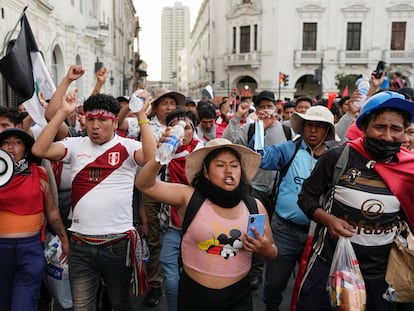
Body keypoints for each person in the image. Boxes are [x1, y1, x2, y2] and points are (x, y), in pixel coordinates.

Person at [32, 90, 156, 310]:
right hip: (80, 245)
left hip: (118, 245)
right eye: (90, 119)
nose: (95, 126)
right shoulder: (75, 144)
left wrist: (141, 116)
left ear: (115, 123)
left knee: (118, 304)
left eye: (102, 120)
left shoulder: (128, 147)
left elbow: (151, 156)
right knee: (82, 307)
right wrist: (63, 112)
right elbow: (39, 149)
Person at [296, 91, 414, 311]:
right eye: (380, 127)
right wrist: (328, 220)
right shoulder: (338, 158)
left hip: (380, 275)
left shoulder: (410, 171)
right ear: (364, 127)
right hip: (329, 265)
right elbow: (306, 197)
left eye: (396, 129)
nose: (388, 136)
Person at [136, 138, 277, 311]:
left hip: (238, 297)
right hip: (194, 296)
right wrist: (162, 154)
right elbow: (145, 184)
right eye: (220, 165)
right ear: (205, 172)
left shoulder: (255, 207)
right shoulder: (188, 197)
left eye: (234, 165)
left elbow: (270, 253)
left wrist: (264, 249)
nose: (228, 171)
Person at [253, 105, 341, 310]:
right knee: (274, 283)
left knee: (312, 287)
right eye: (309, 125)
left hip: (318, 234)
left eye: (319, 127)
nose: (313, 131)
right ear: (302, 127)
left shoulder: (335, 158)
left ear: (327, 132)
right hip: (284, 231)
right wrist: (260, 128)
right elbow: (259, 157)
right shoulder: (289, 149)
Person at [223, 90, 293, 289]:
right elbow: (229, 143)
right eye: (261, 107)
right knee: (252, 230)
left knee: (269, 235)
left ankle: (262, 271)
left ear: (276, 108)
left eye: (268, 106)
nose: (265, 110)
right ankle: (251, 270)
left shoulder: (287, 130)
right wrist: (237, 117)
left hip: (275, 193)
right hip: (252, 189)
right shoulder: (250, 128)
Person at [0, 128, 69, 310]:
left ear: (26, 149)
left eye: (18, 142)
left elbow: (52, 211)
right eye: (6, 142)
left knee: (23, 304)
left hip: (29, 249)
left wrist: (64, 240)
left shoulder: (38, 173)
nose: (11, 147)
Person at [141, 88, 186, 307]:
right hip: (151, 188)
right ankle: (155, 284)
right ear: (156, 106)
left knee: (179, 236)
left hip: (176, 191)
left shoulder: (184, 128)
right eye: (164, 103)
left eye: (172, 103)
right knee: (153, 237)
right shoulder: (147, 127)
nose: (168, 107)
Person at [158, 109, 203, 311]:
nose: (183, 132)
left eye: (187, 128)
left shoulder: (203, 154)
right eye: (177, 127)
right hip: (171, 225)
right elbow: (146, 184)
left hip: (198, 226)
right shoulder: (161, 152)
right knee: (170, 275)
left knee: (195, 276)